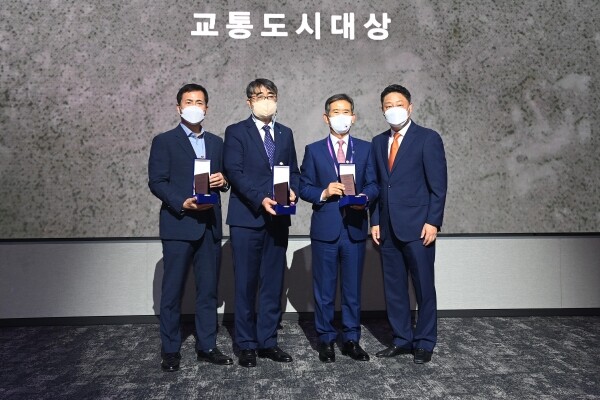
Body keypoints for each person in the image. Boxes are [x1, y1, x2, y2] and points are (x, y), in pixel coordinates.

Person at [148, 83, 233, 372]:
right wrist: (181, 202)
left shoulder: (216, 142)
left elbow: (225, 178)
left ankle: (207, 346)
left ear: (206, 108)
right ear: (179, 107)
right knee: (172, 292)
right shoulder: (164, 141)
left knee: (208, 291)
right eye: (189, 102)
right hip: (179, 224)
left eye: (199, 102)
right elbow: (157, 181)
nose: (194, 106)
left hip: (209, 226)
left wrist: (224, 181)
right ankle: (170, 349)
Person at [223, 78, 300, 367]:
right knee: (245, 283)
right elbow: (235, 172)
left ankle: (268, 341)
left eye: (270, 95)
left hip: (278, 220)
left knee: (273, 283)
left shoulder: (285, 133)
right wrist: (261, 199)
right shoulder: (236, 132)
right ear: (249, 102)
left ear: (276, 99)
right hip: (247, 218)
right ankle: (246, 344)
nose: (265, 100)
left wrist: (293, 190)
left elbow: (293, 171)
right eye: (259, 96)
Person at [370, 84, 447, 364]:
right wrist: (375, 221)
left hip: (418, 228)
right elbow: (377, 185)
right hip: (387, 227)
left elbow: (438, 186)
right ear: (382, 110)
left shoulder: (428, 138)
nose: (394, 110)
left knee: (424, 287)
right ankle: (402, 339)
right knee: (394, 288)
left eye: (399, 104)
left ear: (410, 107)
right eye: (388, 106)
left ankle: (425, 341)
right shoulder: (378, 142)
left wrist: (433, 221)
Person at [299, 94, 379, 363]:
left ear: (353, 117)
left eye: (346, 111)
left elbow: (374, 184)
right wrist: (324, 192)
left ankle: (351, 339)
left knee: (352, 290)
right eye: (335, 112)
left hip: (354, 228)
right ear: (326, 118)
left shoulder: (366, 149)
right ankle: (326, 339)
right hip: (326, 230)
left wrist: (364, 197)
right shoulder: (314, 150)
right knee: (324, 289)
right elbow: (303, 186)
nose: (341, 116)